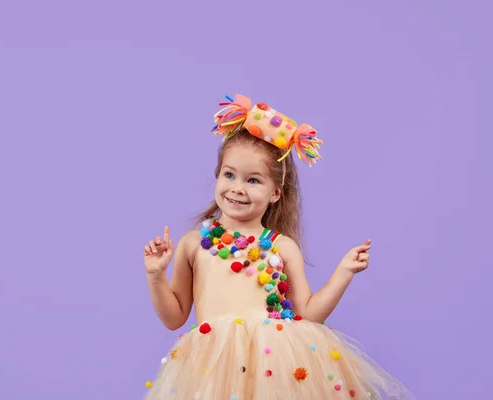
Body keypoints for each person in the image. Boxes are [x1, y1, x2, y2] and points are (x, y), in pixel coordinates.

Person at [142, 94, 411, 399]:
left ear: (275, 193)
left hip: (276, 367)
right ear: (217, 176)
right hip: (214, 370)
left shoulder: (282, 248)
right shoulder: (194, 244)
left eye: (253, 180)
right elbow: (174, 317)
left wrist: (344, 272)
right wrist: (155, 276)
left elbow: (308, 315)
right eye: (229, 174)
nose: (238, 188)